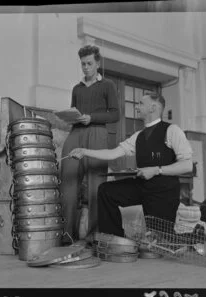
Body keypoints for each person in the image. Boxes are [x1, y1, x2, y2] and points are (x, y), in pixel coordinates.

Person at [69, 92, 193, 237]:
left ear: (153, 108)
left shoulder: (172, 130)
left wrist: (157, 170)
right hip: (142, 186)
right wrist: (84, 151)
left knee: (160, 241)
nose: (136, 107)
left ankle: (192, 235)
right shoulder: (138, 136)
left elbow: (187, 165)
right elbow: (113, 153)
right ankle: (114, 238)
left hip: (163, 191)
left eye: (141, 103)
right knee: (106, 191)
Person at [60, 45, 119, 243]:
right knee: (68, 182)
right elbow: (73, 110)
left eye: (89, 63)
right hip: (76, 132)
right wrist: (71, 117)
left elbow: (115, 114)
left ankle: (94, 237)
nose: (85, 68)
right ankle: (67, 234)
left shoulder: (108, 85)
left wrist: (91, 117)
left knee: (96, 185)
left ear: (98, 63)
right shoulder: (76, 88)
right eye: (83, 64)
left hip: (97, 133)